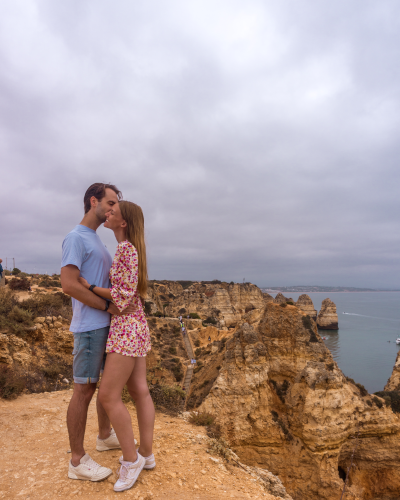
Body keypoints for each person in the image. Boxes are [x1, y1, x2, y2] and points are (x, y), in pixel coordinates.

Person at [78, 200, 155, 492]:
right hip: (136, 325)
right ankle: (146, 454)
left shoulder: (125, 249)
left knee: (109, 395)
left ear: (123, 223)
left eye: (113, 212)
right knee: (139, 391)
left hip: (125, 329)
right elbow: (131, 297)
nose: (107, 213)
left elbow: (121, 298)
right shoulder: (132, 249)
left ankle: (131, 459)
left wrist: (89, 288)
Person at [61, 183, 134, 483]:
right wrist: (107, 307)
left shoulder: (96, 240)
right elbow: (69, 284)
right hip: (90, 328)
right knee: (84, 390)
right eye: (111, 202)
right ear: (94, 202)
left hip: (105, 327)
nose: (114, 208)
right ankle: (77, 460)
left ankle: (104, 435)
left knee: (105, 388)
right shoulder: (75, 238)